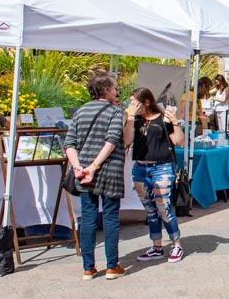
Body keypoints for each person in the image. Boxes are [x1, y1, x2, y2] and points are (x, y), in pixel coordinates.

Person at [64, 72, 126, 281]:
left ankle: (88, 267)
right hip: (109, 168)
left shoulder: (80, 111)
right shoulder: (115, 112)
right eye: (115, 88)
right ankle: (111, 265)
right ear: (107, 90)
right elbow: (112, 140)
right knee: (110, 217)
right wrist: (94, 166)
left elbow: (69, 143)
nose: (117, 91)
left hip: (83, 171)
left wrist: (77, 167)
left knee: (88, 217)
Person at [123, 87, 186, 264]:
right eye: (130, 102)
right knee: (150, 210)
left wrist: (175, 122)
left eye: (135, 102)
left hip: (162, 168)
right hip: (141, 169)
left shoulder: (163, 118)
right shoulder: (133, 120)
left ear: (147, 102)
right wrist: (130, 117)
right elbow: (127, 141)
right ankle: (156, 246)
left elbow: (179, 142)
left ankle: (176, 244)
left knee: (163, 208)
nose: (132, 106)